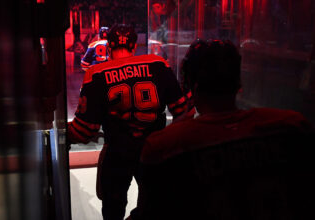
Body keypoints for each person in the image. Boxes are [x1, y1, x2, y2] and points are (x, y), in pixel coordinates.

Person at [129, 39, 315, 219]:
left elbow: (151, 212)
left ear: (193, 86)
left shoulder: (164, 147)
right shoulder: (291, 126)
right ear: (238, 83)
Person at [67, 24, 188, 220]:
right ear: (134, 46)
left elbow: (84, 130)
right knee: (155, 205)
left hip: (117, 153)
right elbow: (184, 112)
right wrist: (163, 140)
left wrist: (63, 135)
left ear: (108, 47)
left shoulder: (96, 74)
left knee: (113, 209)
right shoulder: (158, 64)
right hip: (154, 151)